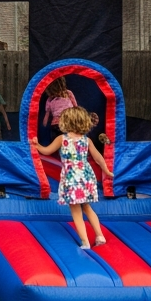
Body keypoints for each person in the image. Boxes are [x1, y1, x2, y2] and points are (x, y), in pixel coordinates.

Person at [31, 106, 112, 249]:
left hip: (71, 177)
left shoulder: (62, 139)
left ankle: (85, 241)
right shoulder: (86, 141)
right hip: (86, 176)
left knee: (75, 210)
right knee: (87, 206)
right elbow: (98, 158)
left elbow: (47, 150)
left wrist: (36, 145)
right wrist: (106, 170)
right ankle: (100, 236)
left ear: (66, 122)